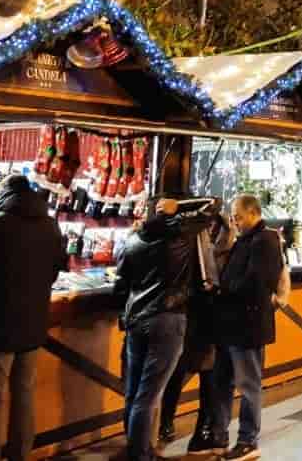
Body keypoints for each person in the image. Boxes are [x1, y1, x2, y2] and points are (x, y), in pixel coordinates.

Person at [0, 174, 67, 461]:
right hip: (34, 324)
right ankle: (20, 455)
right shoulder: (50, 224)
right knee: (24, 395)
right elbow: (57, 269)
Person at [115, 195, 201, 461]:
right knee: (148, 394)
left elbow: (121, 285)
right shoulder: (180, 238)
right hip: (167, 318)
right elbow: (210, 209)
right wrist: (179, 208)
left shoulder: (132, 242)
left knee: (134, 391)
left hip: (137, 319)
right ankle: (140, 454)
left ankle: (135, 448)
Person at [212, 194, 284, 459]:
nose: (235, 221)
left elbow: (256, 282)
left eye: (238, 216)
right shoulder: (245, 240)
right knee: (221, 382)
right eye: (233, 216)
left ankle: (247, 440)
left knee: (249, 385)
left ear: (253, 213)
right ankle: (218, 436)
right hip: (230, 325)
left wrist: (223, 290)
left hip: (247, 327)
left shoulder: (265, 240)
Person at [159, 207, 233, 451]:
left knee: (209, 379)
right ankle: (166, 421)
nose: (210, 230)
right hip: (189, 316)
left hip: (212, 319)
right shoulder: (191, 245)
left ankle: (203, 428)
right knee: (175, 374)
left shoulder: (230, 249)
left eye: (214, 226)